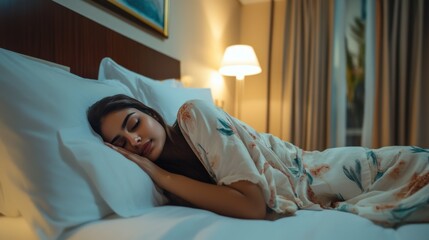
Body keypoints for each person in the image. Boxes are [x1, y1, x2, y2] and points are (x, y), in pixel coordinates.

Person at [87, 94, 429, 225]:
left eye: (134, 124)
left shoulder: (192, 114)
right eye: (122, 144)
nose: (134, 140)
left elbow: (251, 205)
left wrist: (160, 176)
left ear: (150, 113)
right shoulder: (171, 175)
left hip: (334, 172)